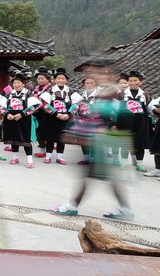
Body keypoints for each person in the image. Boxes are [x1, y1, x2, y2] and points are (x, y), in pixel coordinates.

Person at [54, 59, 133, 220]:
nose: (93, 75)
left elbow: (116, 117)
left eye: (96, 72)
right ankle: (124, 209)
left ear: (107, 73)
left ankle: (72, 206)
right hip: (98, 140)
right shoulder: (103, 92)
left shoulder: (114, 93)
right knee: (103, 176)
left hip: (104, 141)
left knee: (90, 175)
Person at [39, 67, 82, 164]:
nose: (61, 80)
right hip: (51, 117)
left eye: (63, 78)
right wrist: (56, 113)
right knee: (50, 137)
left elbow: (76, 104)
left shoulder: (71, 90)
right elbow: (45, 104)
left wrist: (68, 114)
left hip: (65, 118)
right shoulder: (51, 90)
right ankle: (48, 156)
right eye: (59, 78)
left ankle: (60, 157)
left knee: (61, 138)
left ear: (66, 80)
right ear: (54, 80)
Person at [0, 71, 40, 168]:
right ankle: (15, 157)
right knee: (13, 139)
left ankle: (29, 160)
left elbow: (34, 106)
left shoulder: (28, 94)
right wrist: (7, 114)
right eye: (14, 83)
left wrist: (22, 114)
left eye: (18, 83)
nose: (16, 85)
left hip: (24, 120)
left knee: (26, 140)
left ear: (23, 84)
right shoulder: (9, 94)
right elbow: (1, 106)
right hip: (10, 119)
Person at [116, 70, 151, 171]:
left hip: (140, 122)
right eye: (130, 81)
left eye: (135, 80)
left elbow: (150, 108)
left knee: (139, 144)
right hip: (124, 122)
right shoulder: (121, 94)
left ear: (140, 82)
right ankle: (123, 162)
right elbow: (114, 108)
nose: (132, 82)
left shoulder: (145, 95)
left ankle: (139, 164)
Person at [31, 67, 52, 158]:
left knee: (46, 131)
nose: (40, 80)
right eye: (39, 78)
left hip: (46, 112)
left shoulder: (50, 88)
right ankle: (42, 150)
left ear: (47, 79)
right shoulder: (36, 88)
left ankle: (47, 151)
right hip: (37, 112)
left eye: (42, 78)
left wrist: (40, 106)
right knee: (38, 131)